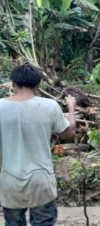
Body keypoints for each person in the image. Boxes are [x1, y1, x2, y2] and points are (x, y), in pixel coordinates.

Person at [0, 63, 77, 226]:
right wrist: (71, 107)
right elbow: (70, 133)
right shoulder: (50, 106)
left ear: (13, 84)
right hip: (41, 181)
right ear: (38, 85)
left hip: (10, 182)